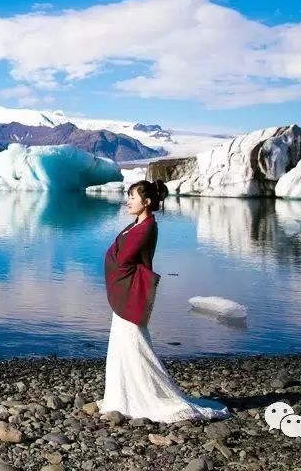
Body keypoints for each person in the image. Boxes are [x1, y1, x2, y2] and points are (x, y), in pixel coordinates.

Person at [97, 179, 231, 423]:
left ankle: (143, 397)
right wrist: (114, 255)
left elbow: (124, 257)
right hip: (125, 290)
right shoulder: (136, 224)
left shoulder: (147, 227)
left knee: (133, 342)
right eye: (128, 196)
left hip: (130, 291)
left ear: (146, 202)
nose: (128, 201)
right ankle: (121, 396)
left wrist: (113, 258)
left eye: (133, 197)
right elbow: (119, 251)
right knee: (123, 343)